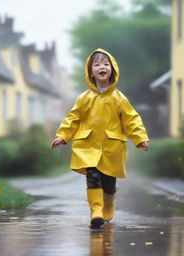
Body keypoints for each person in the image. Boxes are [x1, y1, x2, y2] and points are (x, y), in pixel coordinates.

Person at [51, 48, 149, 228]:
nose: (101, 67)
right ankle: (96, 211)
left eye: (106, 64)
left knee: (109, 183)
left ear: (112, 69)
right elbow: (73, 118)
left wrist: (140, 137)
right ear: (91, 72)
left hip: (112, 148)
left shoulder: (119, 98)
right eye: (97, 64)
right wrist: (62, 136)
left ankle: (108, 205)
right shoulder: (84, 98)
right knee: (93, 178)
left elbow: (131, 119)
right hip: (88, 146)